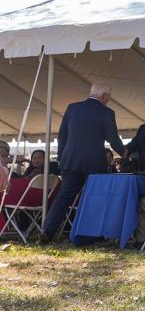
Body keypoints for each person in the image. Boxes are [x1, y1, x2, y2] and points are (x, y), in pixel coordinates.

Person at [41, 83, 126, 243]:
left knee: (64, 197)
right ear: (104, 96)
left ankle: (48, 231)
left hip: (70, 161)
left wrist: (62, 157)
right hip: (94, 163)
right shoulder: (107, 112)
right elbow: (113, 139)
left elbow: (62, 136)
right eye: (108, 97)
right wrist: (125, 154)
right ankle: (89, 235)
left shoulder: (72, 108)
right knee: (94, 198)